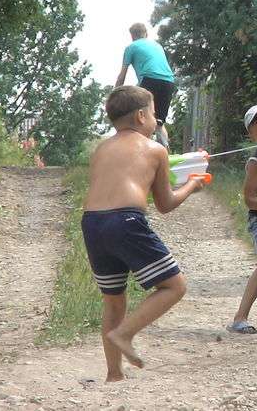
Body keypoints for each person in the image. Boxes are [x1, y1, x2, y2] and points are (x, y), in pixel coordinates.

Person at [82, 85, 205, 381]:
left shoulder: (101, 149)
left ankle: (114, 374)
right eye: (154, 115)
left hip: (92, 222)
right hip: (126, 221)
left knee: (113, 300)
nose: (156, 122)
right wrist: (192, 184)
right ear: (140, 116)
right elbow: (166, 204)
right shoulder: (156, 149)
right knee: (175, 286)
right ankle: (124, 334)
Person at [115, 23, 175, 149]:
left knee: (142, 120)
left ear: (132, 36)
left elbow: (122, 76)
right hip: (168, 82)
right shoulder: (157, 45)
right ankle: (165, 154)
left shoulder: (131, 47)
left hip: (149, 79)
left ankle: (144, 154)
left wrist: (114, 97)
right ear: (146, 33)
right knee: (159, 122)